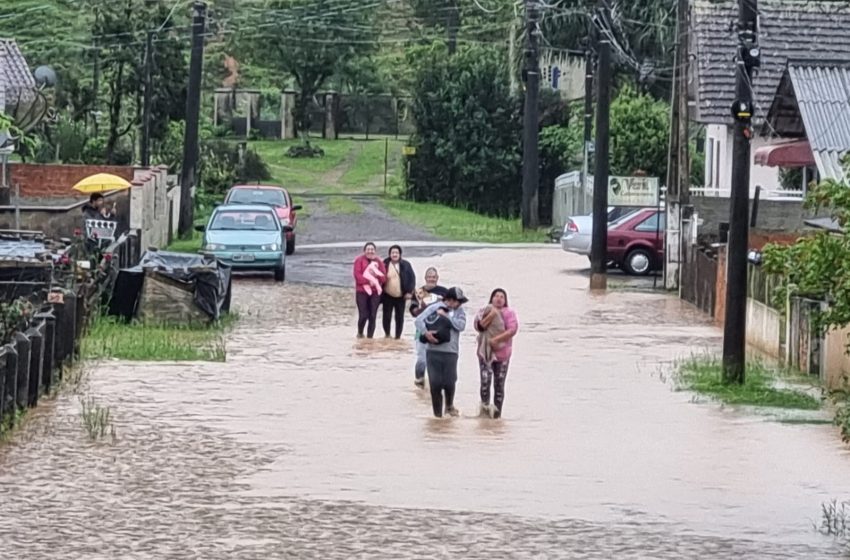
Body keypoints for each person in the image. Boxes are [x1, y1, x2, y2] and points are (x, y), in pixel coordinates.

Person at [414, 287, 468, 418]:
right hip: (433, 351)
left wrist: (447, 318)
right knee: (435, 384)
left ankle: (449, 406)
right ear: (449, 300)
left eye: (459, 302)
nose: (458, 304)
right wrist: (426, 333)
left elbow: (461, 326)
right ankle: (437, 416)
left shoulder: (460, 312)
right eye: (456, 301)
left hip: (451, 352)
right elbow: (418, 320)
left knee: (450, 382)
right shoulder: (435, 307)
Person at [474, 289, 518, 419]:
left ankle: (497, 415)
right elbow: (478, 326)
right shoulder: (485, 310)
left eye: (502, 297)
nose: (499, 299)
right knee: (485, 382)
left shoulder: (509, 313)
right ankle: (485, 411)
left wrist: (496, 340)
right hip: (485, 352)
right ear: (491, 298)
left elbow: (512, 330)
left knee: (499, 384)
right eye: (496, 296)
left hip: (503, 353)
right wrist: (492, 314)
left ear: (505, 301)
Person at [410, 267, 448, 387]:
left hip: (439, 329)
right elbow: (413, 312)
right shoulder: (418, 292)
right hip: (421, 329)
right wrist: (422, 307)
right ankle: (419, 380)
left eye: (433, 277)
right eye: (429, 277)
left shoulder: (444, 292)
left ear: (437, 278)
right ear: (425, 278)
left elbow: (452, 309)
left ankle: (436, 385)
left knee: (438, 359)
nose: (431, 279)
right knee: (421, 358)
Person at [353, 242, 386, 338]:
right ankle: (360, 333)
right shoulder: (359, 260)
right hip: (361, 291)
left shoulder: (379, 262)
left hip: (375, 292)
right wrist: (369, 281)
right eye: (368, 249)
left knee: (372, 316)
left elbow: (383, 277)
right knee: (363, 315)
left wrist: (377, 280)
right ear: (364, 251)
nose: (370, 251)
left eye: (372, 249)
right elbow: (357, 276)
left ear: (375, 251)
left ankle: (370, 339)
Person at [382, 244, 416, 339]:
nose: (394, 254)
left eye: (396, 252)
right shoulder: (384, 263)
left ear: (400, 254)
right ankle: (387, 334)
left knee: (399, 317)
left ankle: (398, 337)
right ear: (389, 254)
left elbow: (412, 279)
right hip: (387, 295)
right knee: (386, 316)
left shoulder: (406, 265)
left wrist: (409, 292)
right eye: (392, 252)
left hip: (401, 296)